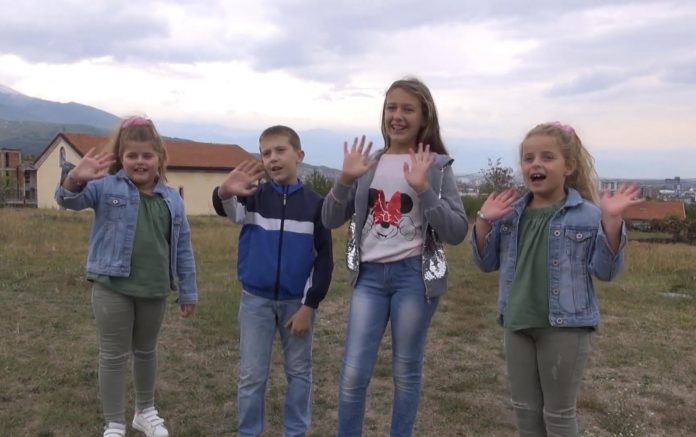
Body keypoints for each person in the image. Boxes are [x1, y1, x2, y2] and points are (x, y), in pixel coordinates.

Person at [470, 121, 644, 436]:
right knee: (525, 412)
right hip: (517, 323)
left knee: (559, 415)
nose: (535, 164)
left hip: (566, 327)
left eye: (547, 157)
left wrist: (611, 221)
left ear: (569, 167)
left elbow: (606, 272)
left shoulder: (588, 215)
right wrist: (483, 222)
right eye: (528, 158)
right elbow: (485, 263)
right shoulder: (509, 214)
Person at [321, 77, 468, 437]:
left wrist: (424, 189)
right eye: (391, 107)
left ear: (424, 117)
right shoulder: (367, 165)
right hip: (369, 278)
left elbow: (456, 231)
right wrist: (343, 180)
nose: (397, 116)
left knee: (406, 372)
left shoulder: (436, 166)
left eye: (407, 109)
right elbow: (328, 219)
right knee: (353, 374)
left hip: (413, 279)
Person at [55, 116, 198, 437]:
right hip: (112, 287)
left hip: (154, 289)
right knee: (113, 355)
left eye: (147, 155)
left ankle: (144, 412)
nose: (140, 161)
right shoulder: (105, 186)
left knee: (146, 352)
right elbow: (67, 200)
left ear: (160, 158)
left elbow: (183, 248)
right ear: (121, 158)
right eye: (132, 155)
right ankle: (114, 422)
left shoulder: (173, 199)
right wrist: (74, 178)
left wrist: (188, 290)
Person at [211, 125, 333, 437]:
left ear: (299, 155)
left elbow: (324, 261)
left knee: (299, 372)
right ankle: (248, 432)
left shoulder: (316, 205)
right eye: (266, 153)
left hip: (297, 305)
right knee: (252, 376)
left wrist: (309, 306)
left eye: (280, 150)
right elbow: (229, 211)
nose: (273, 158)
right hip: (256, 302)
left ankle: (296, 432)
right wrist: (224, 191)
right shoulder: (253, 197)